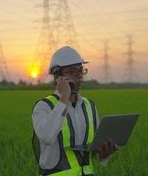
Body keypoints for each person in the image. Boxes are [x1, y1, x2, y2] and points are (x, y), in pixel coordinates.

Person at [32, 46, 117, 176]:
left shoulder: (89, 106)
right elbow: (47, 137)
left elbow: (93, 150)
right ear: (57, 76)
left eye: (80, 71)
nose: (78, 76)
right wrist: (64, 98)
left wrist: (104, 155)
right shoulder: (44, 106)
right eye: (72, 71)